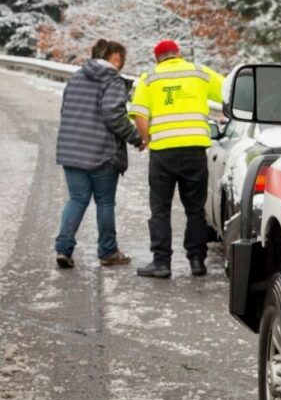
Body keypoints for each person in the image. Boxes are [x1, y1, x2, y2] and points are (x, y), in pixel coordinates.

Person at [128, 39, 224, 278]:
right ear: (178, 54)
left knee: (160, 208)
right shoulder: (200, 72)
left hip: (163, 154)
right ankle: (197, 261)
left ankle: (161, 263)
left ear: (157, 58)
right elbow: (228, 91)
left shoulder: (148, 78)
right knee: (194, 208)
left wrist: (147, 141)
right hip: (194, 151)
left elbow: (140, 115)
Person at [54, 39, 145, 269]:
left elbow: (65, 110)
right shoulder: (112, 80)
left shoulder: (76, 77)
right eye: (121, 58)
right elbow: (114, 115)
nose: (122, 63)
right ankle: (108, 251)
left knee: (77, 198)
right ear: (114, 57)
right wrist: (136, 138)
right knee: (104, 202)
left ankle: (63, 249)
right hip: (102, 153)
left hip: (72, 149)